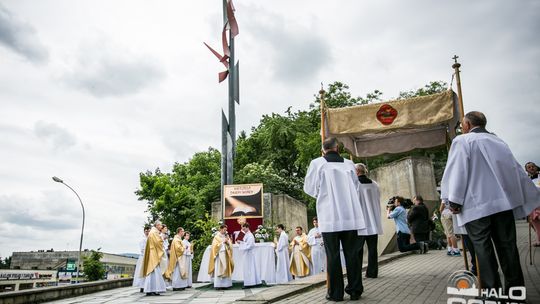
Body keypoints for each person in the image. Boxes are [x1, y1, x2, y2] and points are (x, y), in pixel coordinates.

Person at [441, 111, 540, 293]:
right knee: (508, 249)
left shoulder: (462, 141)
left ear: (468, 125)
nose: (462, 127)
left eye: (462, 124)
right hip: (503, 205)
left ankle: (492, 293)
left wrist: (454, 201)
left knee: (483, 251)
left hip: (476, 207)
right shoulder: (499, 141)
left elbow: (458, 172)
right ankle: (516, 292)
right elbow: (515, 170)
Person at [304, 137, 366, 301]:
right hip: (349, 216)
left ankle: (336, 293)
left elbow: (309, 188)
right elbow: (356, 186)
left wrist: (323, 195)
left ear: (323, 150)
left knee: (333, 256)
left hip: (329, 215)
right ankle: (355, 290)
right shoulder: (349, 164)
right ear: (337, 148)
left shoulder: (317, 163)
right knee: (352, 254)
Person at [355, 163, 383, 278]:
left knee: (358, 250)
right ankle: (372, 272)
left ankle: (357, 273)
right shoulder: (375, 184)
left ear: (357, 172)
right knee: (372, 249)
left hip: (360, 222)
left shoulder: (355, 184)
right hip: (373, 221)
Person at [142, 221, 167, 296]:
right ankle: (151, 290)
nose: (161, 226)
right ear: (157, 225)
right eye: (160, 225)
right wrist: (162, 238)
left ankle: (153, 289)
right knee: (153, 272)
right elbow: (157, 242)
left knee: (154, 273)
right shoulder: (153, 232)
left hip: (154, 254)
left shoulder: (154, 232)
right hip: (154, 255)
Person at [208, 224, 234, 290]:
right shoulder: (217, 237)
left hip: (226, 255)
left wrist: (228, 242)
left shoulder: (226, 236)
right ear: (221, 229)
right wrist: (223, 243)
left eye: (226, 230)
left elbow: (230, 245)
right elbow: (214, 246)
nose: (225, 231)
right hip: (219, 256)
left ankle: (226, 285)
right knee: (219, 269)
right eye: (224, 230)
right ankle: (219, 285)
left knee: (226, 269)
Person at [237, 223, 262, 288]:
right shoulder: (246, 234)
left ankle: (249, 283)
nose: (243, 229)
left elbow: (250, 245)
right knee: (247, 268)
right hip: (246, 254)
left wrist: (241, 243)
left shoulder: (250, 235)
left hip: (249, 254)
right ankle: (250, 282)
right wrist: (240, 242)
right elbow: (241, 241)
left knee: (249, 269)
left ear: (247, 227)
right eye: (242, 228)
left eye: (244, 228)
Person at [133, 226, 150, 292]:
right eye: (146, 231)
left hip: (148, 257)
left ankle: (146, 285)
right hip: (143, 257)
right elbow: (143, 249)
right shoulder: (143, 239)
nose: (147, 232)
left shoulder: (149, 238)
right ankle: (142, 286)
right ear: (144, 231)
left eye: (149, 231)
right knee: (142, 272)